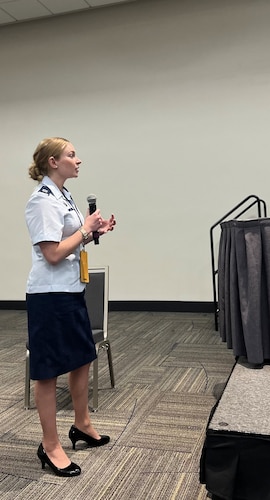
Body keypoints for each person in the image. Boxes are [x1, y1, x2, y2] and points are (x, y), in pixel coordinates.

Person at [25, 137, 116, 477]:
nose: (78, 160)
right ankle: (50, 446)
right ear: (52, 161)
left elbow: (69, 241)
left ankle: (82, 424)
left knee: (82, 357)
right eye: (71, 155)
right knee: (48, 371)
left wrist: (94, 232)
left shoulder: (64, 195)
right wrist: (86, 230)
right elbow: (52, 253)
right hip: (49, 296)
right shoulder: (41, 201)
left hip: (71, 289)